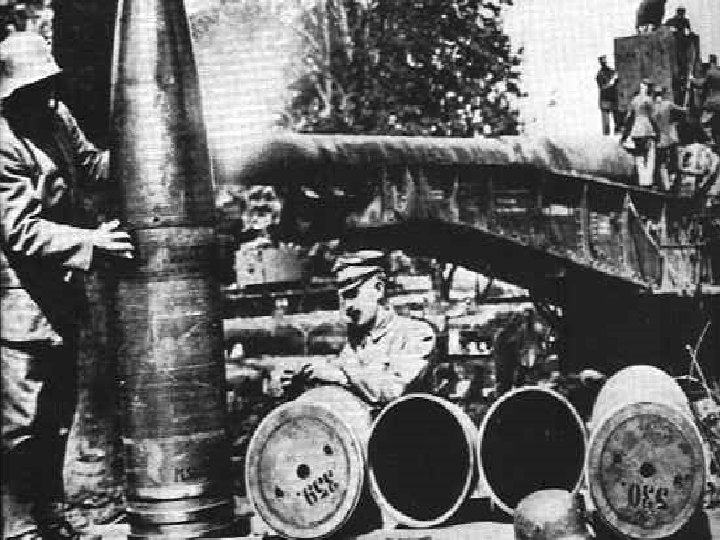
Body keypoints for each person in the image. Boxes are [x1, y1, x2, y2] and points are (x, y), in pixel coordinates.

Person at [1, 32, 134, 540]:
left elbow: (93, 167)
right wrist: (91, 241)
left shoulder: (56, 119)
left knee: (56, 417)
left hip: (60, 299)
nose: (45, 96)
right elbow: (19, 230)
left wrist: (143, 144)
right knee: (21, 426)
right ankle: (18, 527)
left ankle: (50, 518)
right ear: (12, 93)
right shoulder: (3, 143)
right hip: (20, 306)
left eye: (47, 85)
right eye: (33, 89)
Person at [283, 250, 437, 406]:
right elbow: (346, 397)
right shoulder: (356, 339)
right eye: (341, 300)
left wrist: (339, 376)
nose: (347, 307)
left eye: (352, 294)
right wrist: (302, 384)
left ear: (378, 288)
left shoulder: (416, 334)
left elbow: (391, 391)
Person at [621, 79, 659, 187]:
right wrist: (657, 131)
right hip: (647, 130)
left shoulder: (635, 100)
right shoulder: (648, 100)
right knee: (650, 156)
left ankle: (642, 180)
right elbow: (653, 118)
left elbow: (629, 118)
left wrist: (625, 135)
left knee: (639, 155)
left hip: (636, 131)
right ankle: (648, 181)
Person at [653, 87, 686, 191]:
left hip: (659, 139)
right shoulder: (668, 104)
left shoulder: (652, 107)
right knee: (674, 161)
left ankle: (660, 183)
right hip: (670, 137)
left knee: (659, 162)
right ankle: (674, 182)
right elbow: (683, 111)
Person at [596, 55, 622, 135]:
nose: (604, 62)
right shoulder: (600, 74)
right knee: (606, 123)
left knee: (616, 119)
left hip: (613, 98)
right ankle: (607, 135)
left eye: (604, 60)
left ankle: (617, 132)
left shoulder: (612, 72)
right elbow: (602, 86)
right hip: (605, 99)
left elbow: (618, 83)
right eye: (602, 61)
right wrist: (612, 82)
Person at [699, 54, 720, 148]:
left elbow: (703, 84)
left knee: (704, 122)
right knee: (717, 123)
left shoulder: (710, 72)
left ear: (710, 61)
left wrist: (692, 80)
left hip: (712, 103)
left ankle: (711, 139)